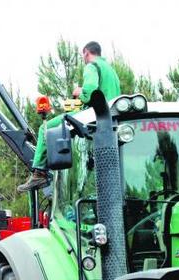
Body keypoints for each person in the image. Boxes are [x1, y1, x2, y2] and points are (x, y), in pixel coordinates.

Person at [17, 41, 121, 192]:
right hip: (110, 117)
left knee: (44, 129)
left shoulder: (92, 66)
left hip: (94, 113)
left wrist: (81, 92)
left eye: (83, 55)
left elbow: (90, 90)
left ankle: (40, 172)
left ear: (86, 52)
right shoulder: (111, 71)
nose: (83, 58)